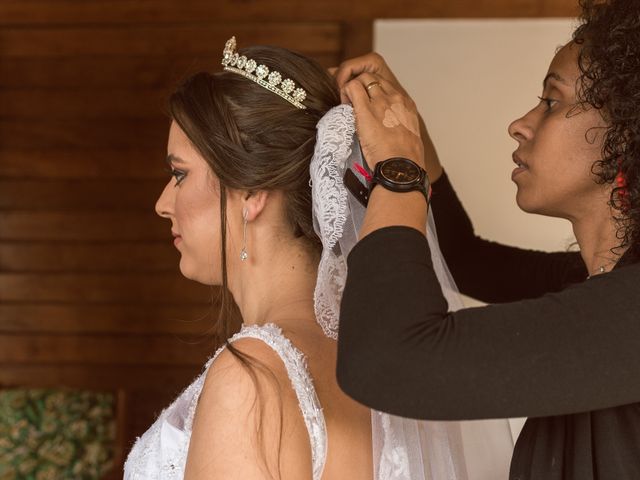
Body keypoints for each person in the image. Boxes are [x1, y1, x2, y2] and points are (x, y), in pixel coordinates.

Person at [123, 37, 490, 480]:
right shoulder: (380, 363)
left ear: (251, 193)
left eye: (179, 174)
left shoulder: (249, 380)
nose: (163, 203)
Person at [334, 0, 640, 479]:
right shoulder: (595, 281)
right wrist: (412, 138)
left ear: (625, 134)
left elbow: (387, 361)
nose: (520, 123)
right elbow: (462, 257)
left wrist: (399, 171)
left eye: (551, 102)